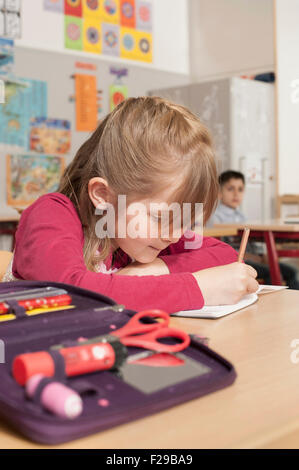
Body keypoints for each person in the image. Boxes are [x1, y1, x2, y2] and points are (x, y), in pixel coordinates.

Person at [4, 97, 258, 311]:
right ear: (103, 194)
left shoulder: (137, 236)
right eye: (160, 217)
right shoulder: (51, 215)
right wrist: (198, 288)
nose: (175, 234)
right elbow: (72, 295)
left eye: (185, 218)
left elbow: (226, 254)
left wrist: (154, 269)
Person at [213, 170, 299, 289]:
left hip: (254, 258)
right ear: (219, 193)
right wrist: (250, 257)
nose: (236, 194)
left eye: (240, 189)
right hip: (237, 262)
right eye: (230, 189)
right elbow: (221, 250)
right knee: (271, 273)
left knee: (291, 271)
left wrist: (261, 255)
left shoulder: (242, 217)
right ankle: (271, 304)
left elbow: (252, 240)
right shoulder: (216, 217)